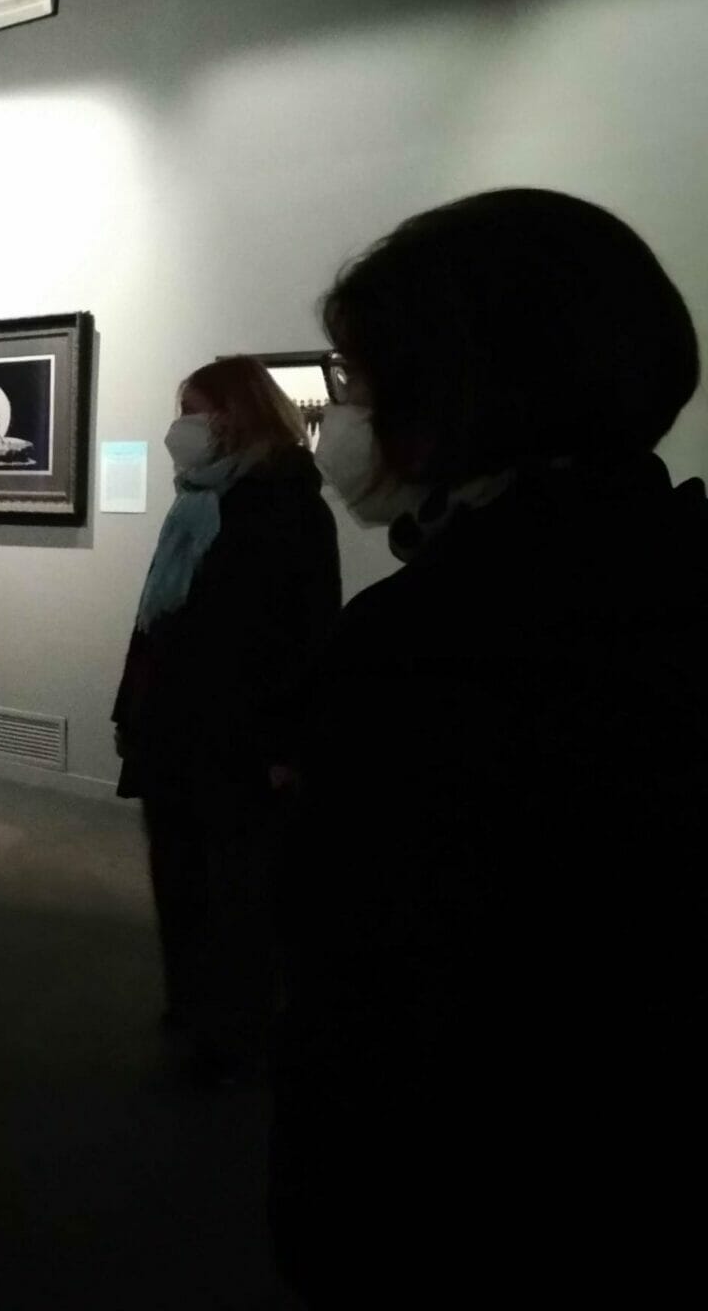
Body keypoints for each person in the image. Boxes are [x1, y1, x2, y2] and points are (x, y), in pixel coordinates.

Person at [269, 190, 707, 1306]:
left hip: (475, 1202)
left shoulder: (424, 645)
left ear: (453, 391)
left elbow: (371, 1005)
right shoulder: (668, 564)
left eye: (357, 380)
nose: (342, 412)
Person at [112, 357, 340, 1088]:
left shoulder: (288, 505)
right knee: (179, 876)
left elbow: (308, 635)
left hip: (239, 736)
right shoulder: (195, 503)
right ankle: (192, 1005)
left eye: (194, 409)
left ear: (235, 414)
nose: (181, 425)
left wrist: (288, 744)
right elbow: (155, 621)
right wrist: (131, 708)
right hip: (173, 726)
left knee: (236, 890)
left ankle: (235, 1035)